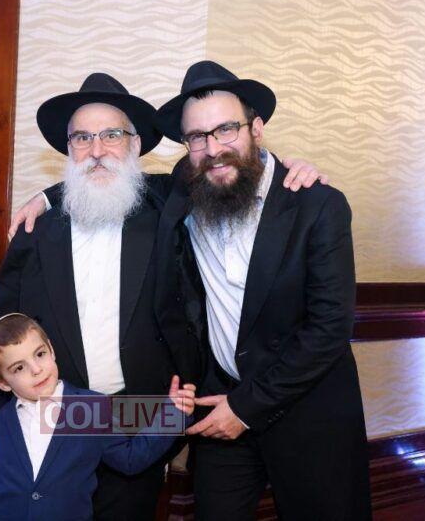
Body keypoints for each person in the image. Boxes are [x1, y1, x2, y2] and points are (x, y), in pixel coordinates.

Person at [0, 72, 325, 520]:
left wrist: (290, 171)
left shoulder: (167, 211)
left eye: (111, 135)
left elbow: (225, 165)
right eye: (82, 138)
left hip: (136, 416)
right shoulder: (35, 230)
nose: (96, 150)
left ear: (136, 145)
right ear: (68, 149)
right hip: (54, 418)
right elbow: (1, 325)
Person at [151, 60, 372, 520]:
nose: (213, 149)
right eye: (197, 137)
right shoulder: (185, 190)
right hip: (220, 404)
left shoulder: (317, 205)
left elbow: (330, 328)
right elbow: (113, 181)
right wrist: (47, 199)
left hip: (308, 409)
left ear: (256, 128)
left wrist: (246, 407)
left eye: (226, 129)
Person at [0, 313, 196, 520]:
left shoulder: (88, 409)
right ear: (2, 382)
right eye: (19, 368)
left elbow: (130, 458)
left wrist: (173, 414)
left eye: (40, 354)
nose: (36, 370)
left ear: (51, 349)